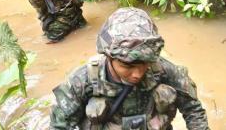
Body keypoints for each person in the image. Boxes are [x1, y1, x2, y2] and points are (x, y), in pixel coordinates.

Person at [50, 7, 210, 129]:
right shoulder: (82, 81)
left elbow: (193, 111)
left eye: (145, 63)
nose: (138, 74)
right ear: (109, 57)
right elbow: (59, 125)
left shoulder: (165, 71)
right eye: (128, 65)